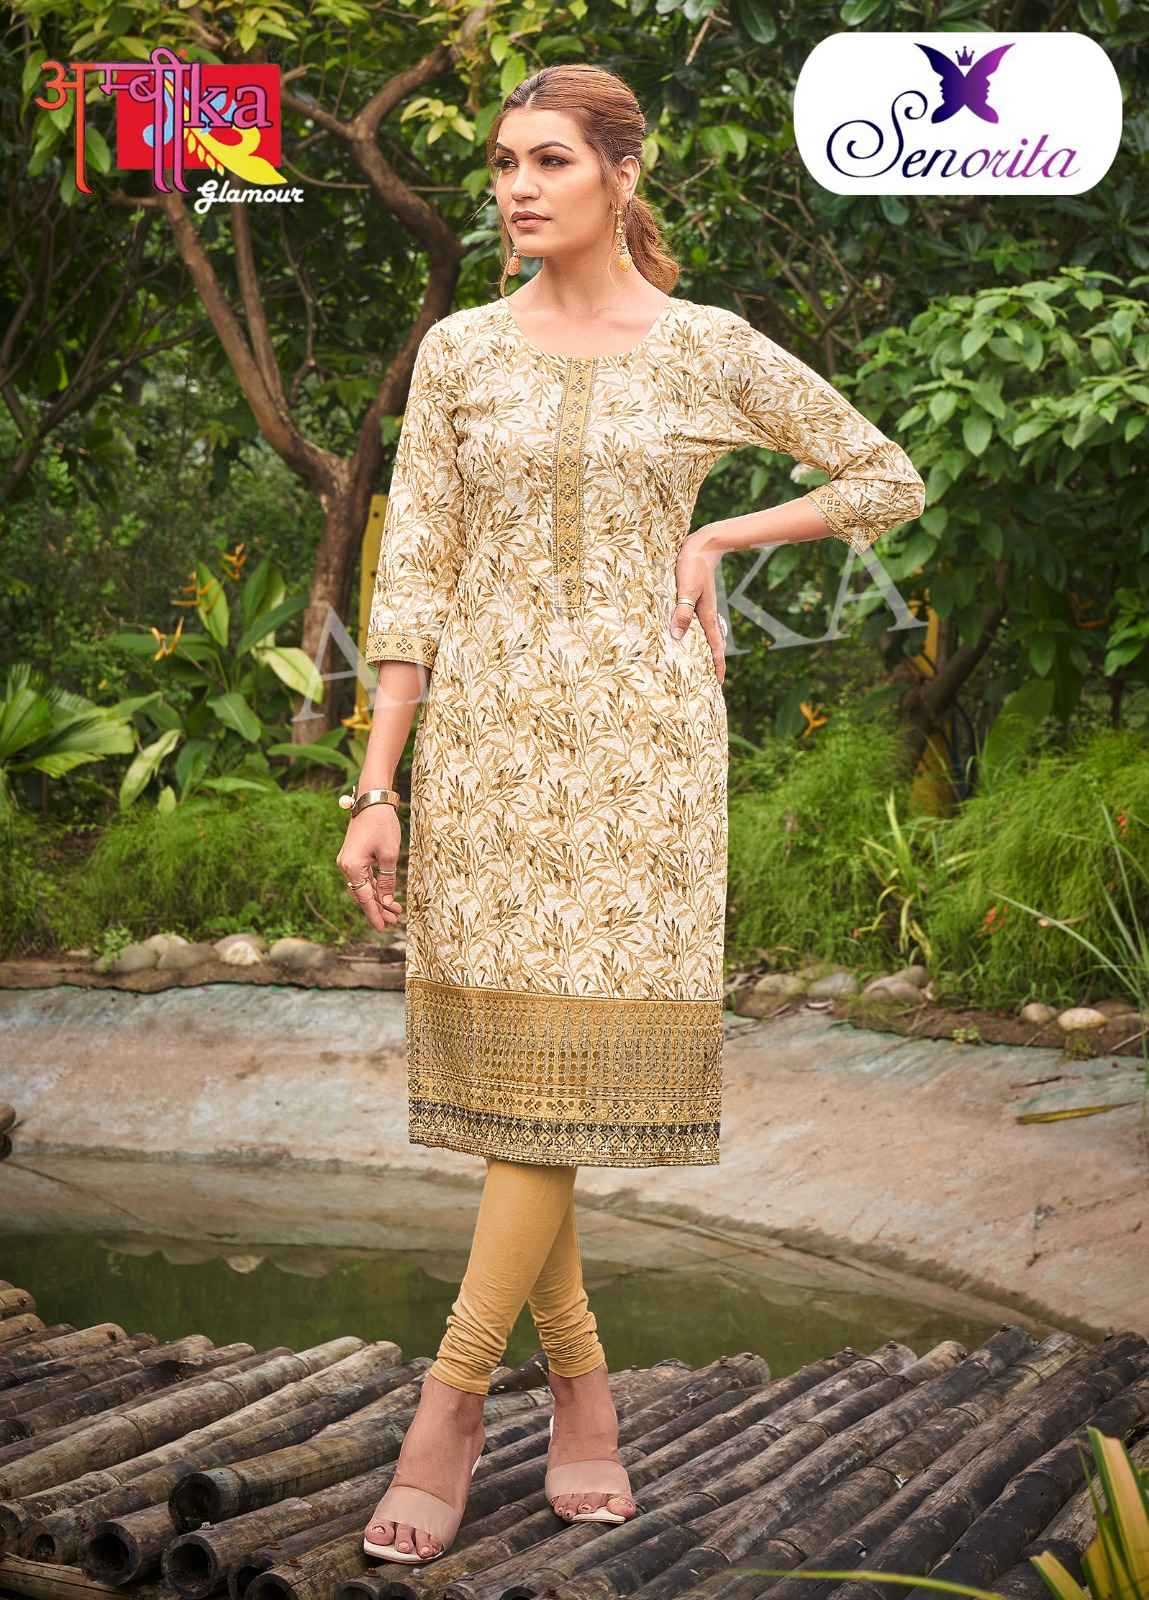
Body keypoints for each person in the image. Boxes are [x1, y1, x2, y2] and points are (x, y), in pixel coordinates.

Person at [337, 62, 926, 1568]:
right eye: (501, 164)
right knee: (525, 1086)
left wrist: (720, 532)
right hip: (486, 749)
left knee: (565, 1075)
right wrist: (378, 784)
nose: (515, 189)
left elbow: (886, 478)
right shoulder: (462, 352)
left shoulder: (706, 347)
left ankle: (447, 1409)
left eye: (547, 160)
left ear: (620, 173)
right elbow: (412, 578)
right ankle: (582, 1392)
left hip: (642, 754)